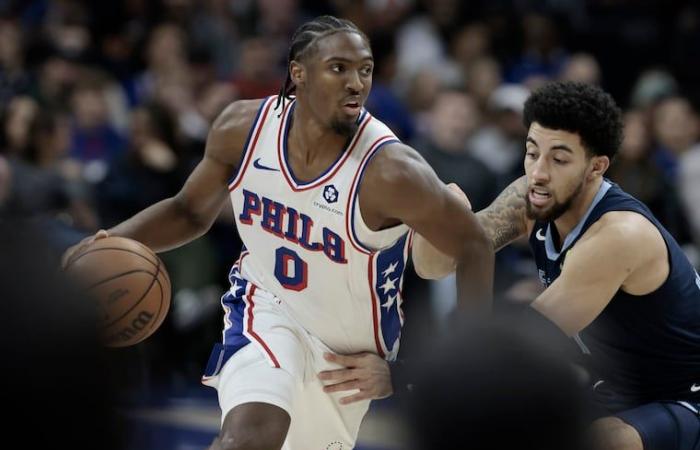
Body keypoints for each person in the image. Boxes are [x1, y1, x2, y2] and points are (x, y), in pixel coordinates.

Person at [63, 15, 494, 450]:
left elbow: (475, 245)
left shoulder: (391, 171)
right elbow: (189, 211)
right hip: (266, 306)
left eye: (364, 69)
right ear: (298, 73)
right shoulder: (242, 129)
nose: (356, 82)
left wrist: (419, 373)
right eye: (338, 67)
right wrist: (111, 242)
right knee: (247, 438)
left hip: (345, 355)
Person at [412, 81, 700, 450]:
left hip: (682, 395)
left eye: (559, 159)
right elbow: (433, 266)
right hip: (614, 385)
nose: (539, 172)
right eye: (532, 153)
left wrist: (405, 374)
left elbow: (525, 344)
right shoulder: (532, 197)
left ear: (596, 167)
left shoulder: (620, 236)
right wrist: (439, 218)